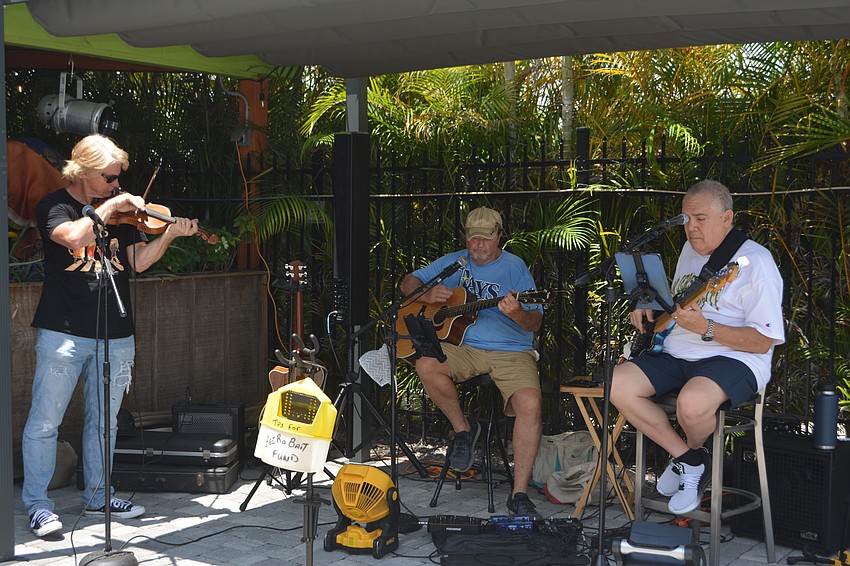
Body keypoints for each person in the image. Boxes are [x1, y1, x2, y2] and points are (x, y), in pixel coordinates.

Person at [22, 135, 199, 538]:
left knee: (105, 423)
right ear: (82, 171)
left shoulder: (120, 214)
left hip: (116, 333)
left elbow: (137, 262)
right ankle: (38, 505)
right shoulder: (54, 206)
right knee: (45, 422)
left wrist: (168, 236)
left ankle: (100, 494)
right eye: (108, 178)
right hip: (63, 332)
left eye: (118, 178)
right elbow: (73, 238)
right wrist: (109, 207)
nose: (116, 185)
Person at [610, 179, 784, 515]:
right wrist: (647, 306)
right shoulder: (691, 253)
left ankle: (689, 457)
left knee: (692, 404)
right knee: (616, 384)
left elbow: (763, 340)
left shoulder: (757, 263)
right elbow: (679, 307)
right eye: (686, 219)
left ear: (727, 218)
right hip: (678, 352)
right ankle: (690, 458)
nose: (691, 227)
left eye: (700, 218)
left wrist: (708, 328)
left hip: (735, 358)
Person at [400, 207, 545, 520]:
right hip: (464, 345)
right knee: (427, 363)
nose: (479, 244)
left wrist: (518, 313)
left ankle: (519, 494)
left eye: (486, 238)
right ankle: (464, 430)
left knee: (530, 404)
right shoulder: (456, 262)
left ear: (499, 237)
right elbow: (408, 282)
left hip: (511, 350)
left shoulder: (515, 268)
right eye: (473, 238)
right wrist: (426, 296)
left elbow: (534, 321)